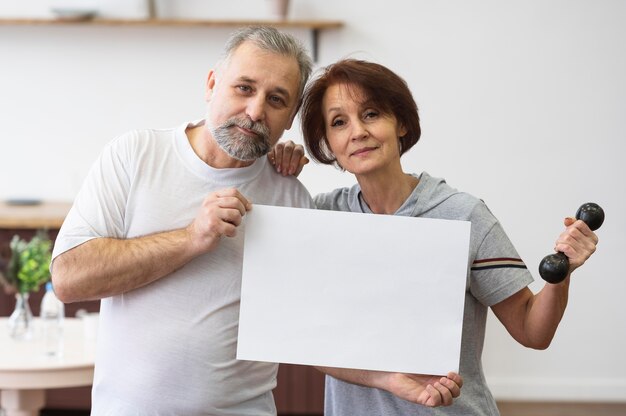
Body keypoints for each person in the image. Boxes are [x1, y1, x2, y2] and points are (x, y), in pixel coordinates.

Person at [51, 28, 461, 415]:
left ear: (290, 119)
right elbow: (69, 279)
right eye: (244, 88)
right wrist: (193, 237)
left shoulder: (290, 198)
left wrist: (389, 378)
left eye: (277, 100)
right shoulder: (135, 154)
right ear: (212, 84)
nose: (255, 111)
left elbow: (311, 334)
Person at [269, 59, 599, 415]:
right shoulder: (321, 217)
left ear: (402, 124)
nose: (357, 132)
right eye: (339, 122)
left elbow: (532, 331)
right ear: (328, 144)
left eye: (371, 114)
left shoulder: (462, 214)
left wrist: (562, 273)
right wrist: (269, 167)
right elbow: (299, 332)